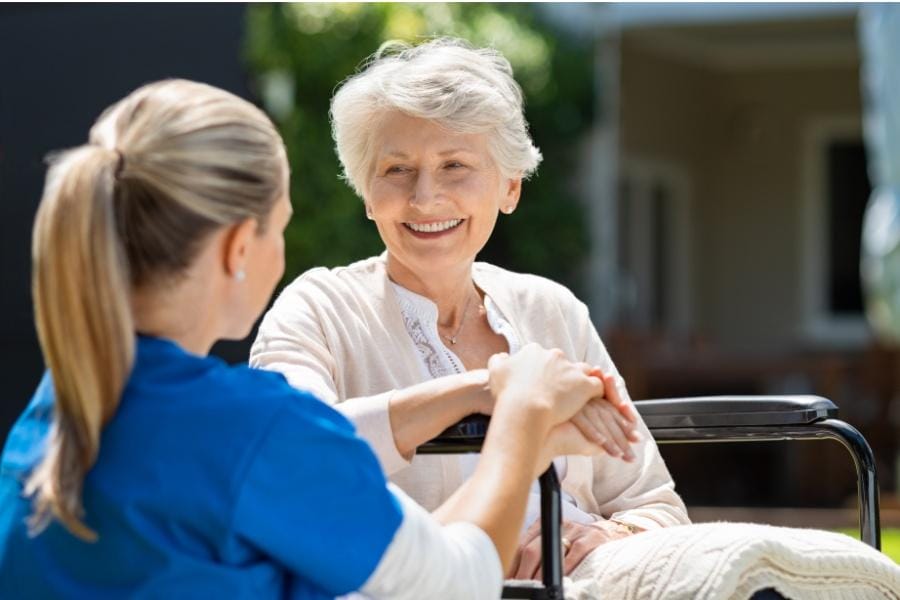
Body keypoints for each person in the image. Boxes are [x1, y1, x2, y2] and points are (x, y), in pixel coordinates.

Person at [0, 79, 620, 599]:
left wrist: (480, 390)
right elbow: (452, 581)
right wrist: (523, 413)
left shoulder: (58, 408)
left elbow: (399, 564)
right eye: (282, 228)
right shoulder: (253, 430)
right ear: (240, 247)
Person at [250, 37, 690, 582]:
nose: (425, 197)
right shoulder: (317, 308)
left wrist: (603, 537)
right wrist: (488, 389)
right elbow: (292, 457)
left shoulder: (552, 310)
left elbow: (655, 505)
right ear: (367, 194)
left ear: (510, 187)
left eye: (455, 165)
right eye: (396, 170)